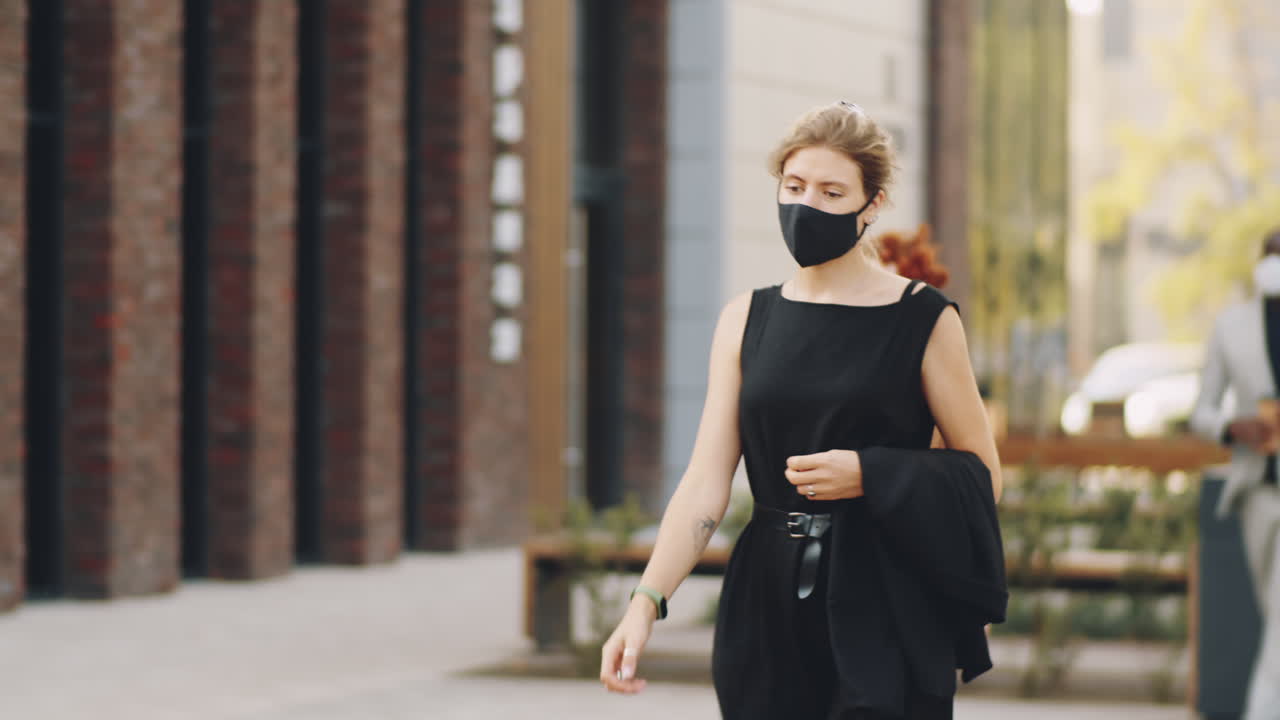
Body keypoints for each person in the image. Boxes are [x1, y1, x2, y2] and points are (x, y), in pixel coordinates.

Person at [598, 101, 1007, 720]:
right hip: (766, 600)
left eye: (831, 192)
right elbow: (706, 481)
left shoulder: (923, 318)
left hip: (884, 599)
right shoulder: (746, 318)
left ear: (872, 204)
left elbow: (983, 475)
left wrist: (871, 474)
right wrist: (645, 603)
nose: (806, 205)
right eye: (794, 187)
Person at [1191, 228, 1280, 720]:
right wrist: (1233, 427)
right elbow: (1201, 411)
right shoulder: (1232, 325)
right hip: (1257, 492)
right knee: (1273, 612)